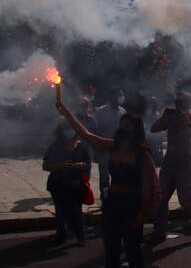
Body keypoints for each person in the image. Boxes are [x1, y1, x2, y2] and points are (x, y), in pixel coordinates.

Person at [57, 102, 157, 268]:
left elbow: (149, 185)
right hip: (112, 203)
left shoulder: (142, 155)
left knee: (133, 252)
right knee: (111, 250)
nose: (123, 129)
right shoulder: (113, 146)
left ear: (135, 131)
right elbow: (86, 135)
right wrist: (66, 112)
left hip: (131, 204)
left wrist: (143, 214)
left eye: (127, 127)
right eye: (122, 125)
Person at [150, 91, 191, 242]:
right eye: (177, 103)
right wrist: (163, 117)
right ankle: (159, 231)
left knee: (186, 202)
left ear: (188, 104)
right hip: (169, 164)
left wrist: (187, 122)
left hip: (185, 165)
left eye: (181, 103)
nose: (178, 106)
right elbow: (153, 129)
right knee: (161, 199)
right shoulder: (170, 117)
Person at [43, 121, 91, 246]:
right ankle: (61, 236)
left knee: (77, 211)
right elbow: (46, 165)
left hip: (76, 185)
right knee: (60, 212)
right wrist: (61, 166)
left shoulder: (81, 146)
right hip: (58, 184)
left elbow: (88, 162)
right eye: (66, 128)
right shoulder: (55, 146)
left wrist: (81, 165)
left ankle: (81, 236)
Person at [93, 87, 127, 200]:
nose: (120, 98)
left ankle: (115, 197)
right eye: (118, 95)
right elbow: (94, 131)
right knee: (104, 176)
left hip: (119, 150)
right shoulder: (100, 112)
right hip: (104, 150)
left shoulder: (122, 112)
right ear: (111, 97)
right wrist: (95, 150)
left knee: (118, 175)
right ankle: (105, 197)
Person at [74, 96, 97, 177]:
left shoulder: (91, 120)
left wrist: (95, 151)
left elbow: (95, 136)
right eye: (81, 105)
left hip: (87, 153)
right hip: (73, 154)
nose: (83, 108)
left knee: (86, 178)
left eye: (86, 106)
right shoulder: (71, 119)